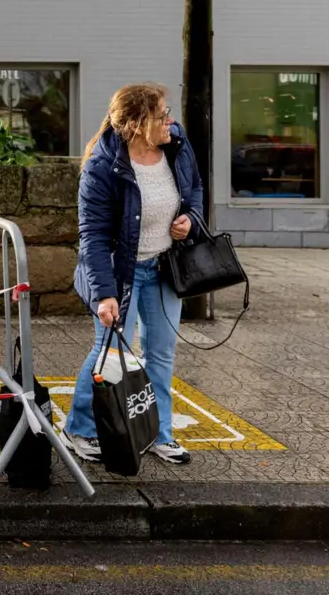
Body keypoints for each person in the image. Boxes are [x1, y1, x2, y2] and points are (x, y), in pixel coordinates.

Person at [61, 83, 204, 466]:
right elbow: (91, 236)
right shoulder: (103, 166)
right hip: (121, 273)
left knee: (161, 353)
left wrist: (191, 220)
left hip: (164, 269)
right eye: (161, 115)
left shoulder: (176, 144)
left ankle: (160, 433)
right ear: (138, 123)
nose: (170, 121)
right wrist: (104, 293)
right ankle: (79, 429)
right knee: (109, 352)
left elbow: (194, 191)